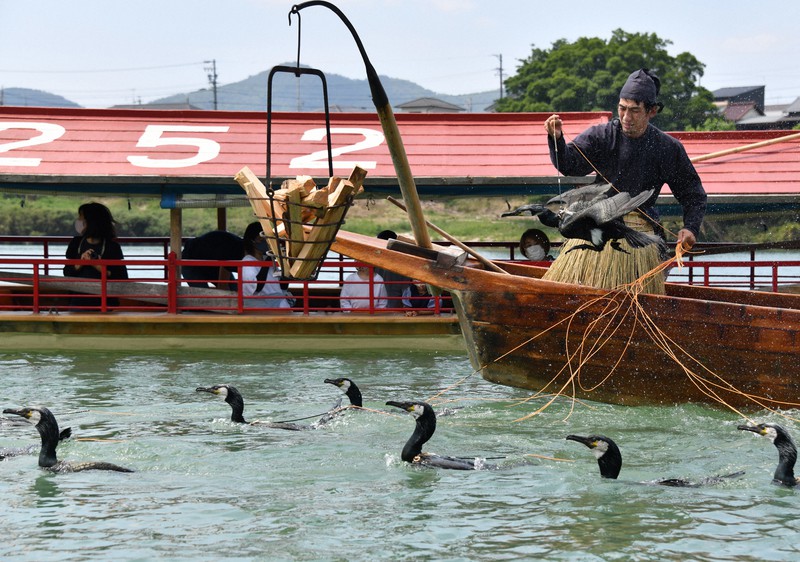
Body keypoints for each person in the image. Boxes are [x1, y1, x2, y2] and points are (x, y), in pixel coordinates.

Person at [542, 68, 707, 291]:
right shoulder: (601, 136)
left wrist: (691, 228)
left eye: (635, 111)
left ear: (652, 111)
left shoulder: (668, 148)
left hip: (640, 235)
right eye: (622, 108)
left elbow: (693, 194)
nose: (626, 118)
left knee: (637, 299)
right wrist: (557, 139)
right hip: (596, 227)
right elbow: (569, 164)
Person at [64, 202, 129, 310]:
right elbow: (67, 272)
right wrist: (80, 264)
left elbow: (122, 277)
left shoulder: (112, 246)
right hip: (77, 301)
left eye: (81, 218)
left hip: (105, 303)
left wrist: (99, 267)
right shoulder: (76, 243)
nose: (79, 221)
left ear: (91, 222)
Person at [240, 222, 292, 310]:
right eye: (263, 239)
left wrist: (287, 265)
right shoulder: (247, 261)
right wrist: (269, 257)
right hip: (264, 308)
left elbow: (282, 286)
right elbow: (257, 287)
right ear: (254, 241)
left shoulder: (269, 262)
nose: (267, 243)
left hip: (279, 305)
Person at [374, 229, 412, 310]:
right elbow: (406, 286)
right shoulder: (403, 261)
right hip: (397, 303)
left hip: (378, 304)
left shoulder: (375, 259)